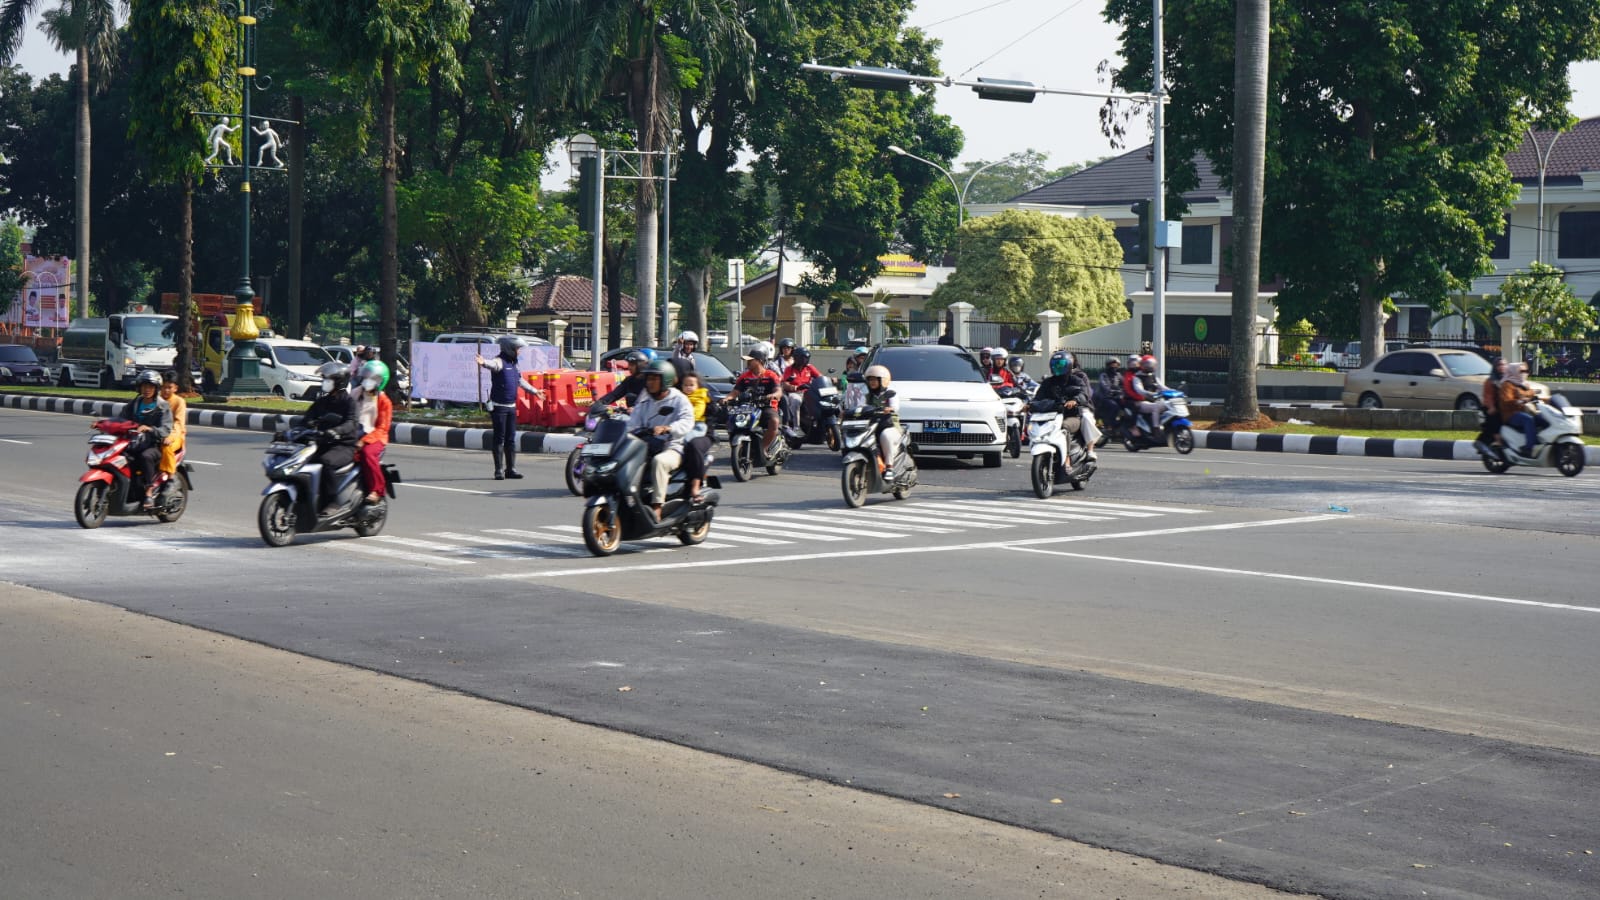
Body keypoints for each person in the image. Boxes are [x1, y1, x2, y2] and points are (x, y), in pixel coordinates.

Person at [627, 359, 694, 520]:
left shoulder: (679, 399)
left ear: (666, 380)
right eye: (648, 378)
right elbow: (633, 422)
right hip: (645, 446)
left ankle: (657, 506)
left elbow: (687, 421)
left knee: (659, 462)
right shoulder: (645, 398)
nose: (649, 383)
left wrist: (668, 428)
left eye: (654, 379)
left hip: (672, 446)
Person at [475, 335, 544, 480]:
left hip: (511, 407)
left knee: (511, 439)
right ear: (509, 349)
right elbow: (492, 364)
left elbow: (520, 381)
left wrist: (535, 391)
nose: (519, 351)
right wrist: (483, 363)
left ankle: (511, 469)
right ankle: (499, 470)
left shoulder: (513, 364)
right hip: (499, 407)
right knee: (499, 438)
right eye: (518, 349)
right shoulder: (499, 361)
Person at [298, 362, 361, 513]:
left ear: (339, 382)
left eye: (328, 380)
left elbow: (351, 423)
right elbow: (306, 419)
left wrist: (336, 431)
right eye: (324, 379)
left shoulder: (349, 402)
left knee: (326, 462)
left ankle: (333, 501)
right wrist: (290, 432)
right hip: (321, 443)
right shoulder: (322, 401)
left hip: (344, 445)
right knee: (301, 462)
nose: (324, 382)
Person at [116, 370, 172, 508]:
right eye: (144, 386)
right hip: (134, 442)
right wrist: (104, 424)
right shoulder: (135, 403)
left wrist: (150, 429)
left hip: (153, 445)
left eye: (150, 387)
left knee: (145, 457)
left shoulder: (162, 406)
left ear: (156, 388)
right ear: (139, 387)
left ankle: (148, 491)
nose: (147, 390)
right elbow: (121, 419)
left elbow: (166, 429)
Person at [1032, 351, 1098, 461]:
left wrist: (1075, 400)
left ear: (1069, 364)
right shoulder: (1048, 382)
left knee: (1071, 425)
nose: (1058, 368)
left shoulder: (1078, 378)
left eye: (1061, 365)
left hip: (1074, 413)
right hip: (1053, 414)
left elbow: (1084, 393)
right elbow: (1038, 398)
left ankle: (1073, 456)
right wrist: (1030, 405)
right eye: (1055, 365)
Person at [351, 360, 393, 504]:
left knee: (367, 454)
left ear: (380, 381)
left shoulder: (384, 401)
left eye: (372, 378)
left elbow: (382, 428)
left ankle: (376, 490)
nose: (367, 381)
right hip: (353, 433)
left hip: (376, 437)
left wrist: (364, 440)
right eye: (366, 377)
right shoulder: (355, 393)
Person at [734, 344, 784, 454]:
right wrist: (726, 398)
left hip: (766, 406)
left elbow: (778, 391)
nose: (747, 363)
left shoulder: (771, 375)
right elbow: (735, 391)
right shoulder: (744, 376)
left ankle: (763, 449)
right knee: (732, 421)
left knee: (774, 422)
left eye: (750, 360)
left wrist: (773, 395)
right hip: (748, 407)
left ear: (759, 361)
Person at [858, 364, 904, 479]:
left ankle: (889, 468)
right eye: (870, 380)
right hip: (871, 426)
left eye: (875, 379)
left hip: (889, 425)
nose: (872, 382)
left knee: (885, 436)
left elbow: (895, 406)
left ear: (883, 380)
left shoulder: (890, 394)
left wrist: (889, 408)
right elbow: (859, 407)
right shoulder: (866, 395)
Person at [678, 371, 713, 502]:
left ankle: (695, 484)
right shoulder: (678, 397)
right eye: (685, 385)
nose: (688, 387)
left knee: (686, 442)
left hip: (697, 426)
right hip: (682, 424)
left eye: (691, 385)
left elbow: (695, 413)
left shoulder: (700, 396)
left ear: (697, 386)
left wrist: (683, 416)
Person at [1499, 362, 1540, 456]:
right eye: (1521, 371)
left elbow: (1530, 394)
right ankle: (1529, 448)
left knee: (1540, 418)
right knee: (1528, 420)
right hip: (1511, 414)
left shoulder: (1525, 384)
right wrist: (1519, 401)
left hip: (1523, 411)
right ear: (1514, 371)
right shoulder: (1507, 385)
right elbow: (1505, 401)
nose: (1524, 373)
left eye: (1526, 371)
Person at [1124, 355, 1169, 437]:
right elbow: (1137, 390)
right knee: (1155, 407)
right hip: (1140, 400)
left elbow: (1162, 387)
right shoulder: (1136, 377)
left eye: (1151, 364)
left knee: (1167, 405)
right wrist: (1144, 395)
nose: (1149, 367)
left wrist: (1173, 391)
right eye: (1147, 365)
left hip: (1152, 400)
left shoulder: (1153, 376)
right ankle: (1155, 429)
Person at [780, 346, 822, 435]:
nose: (804, 360)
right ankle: (796, 427)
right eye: (802, 357)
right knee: (796, 401)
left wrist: (830, 379)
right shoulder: (789, 369)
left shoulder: (809, 368)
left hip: (809, 392)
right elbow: (785, 384)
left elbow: (820, 377)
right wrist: (795, 388)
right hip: (796, 393)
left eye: (806, 358)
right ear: (796, 358)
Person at [157, 370, 187, 489]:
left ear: (175, 388)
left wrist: (170, 437)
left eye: (169, 387)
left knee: (166, 446)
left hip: (175, 436)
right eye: (164, 387)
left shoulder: (179, 402)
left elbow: (178, 424)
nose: (166, 390)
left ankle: (170, 478)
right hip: (158, 433)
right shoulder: (156, 399)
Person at [1475, 357, 1509, 448]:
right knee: (1494, 420)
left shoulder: (1508, 380)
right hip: (1491, 407)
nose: (1502, 367)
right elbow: (1488, 396)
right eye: (1499, 365)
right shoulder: (1490, 381)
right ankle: (1498, 440)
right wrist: (1491, 406)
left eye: (1504, 365)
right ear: (1495, 367)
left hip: (1504, 406)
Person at [1096, 357, 1125, 425]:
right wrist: (1115, 391)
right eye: (1113, 365)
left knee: (1127, 404)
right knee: (1114, 406)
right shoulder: (1103, 375)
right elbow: (1105, 387)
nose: (1114, 367)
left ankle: (1123, 424)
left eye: (1116, 365)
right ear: (1108, 365)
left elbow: (1124, 384)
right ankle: (1109, 425)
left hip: (1116, 397)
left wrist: (1125, 390)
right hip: (1105, 397)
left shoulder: (1118, 375)